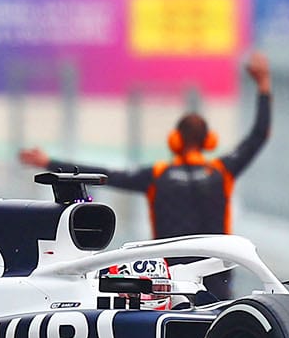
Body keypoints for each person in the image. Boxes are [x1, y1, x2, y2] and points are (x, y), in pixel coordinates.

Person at [19, 51, 273, 238]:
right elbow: (259, 135)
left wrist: (49, 162)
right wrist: (263, 84)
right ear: (208, 141)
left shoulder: (157, 175)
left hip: (172, 279)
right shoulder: (222, 171)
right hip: (216, 275)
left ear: (175, 141)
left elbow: (104, 174)